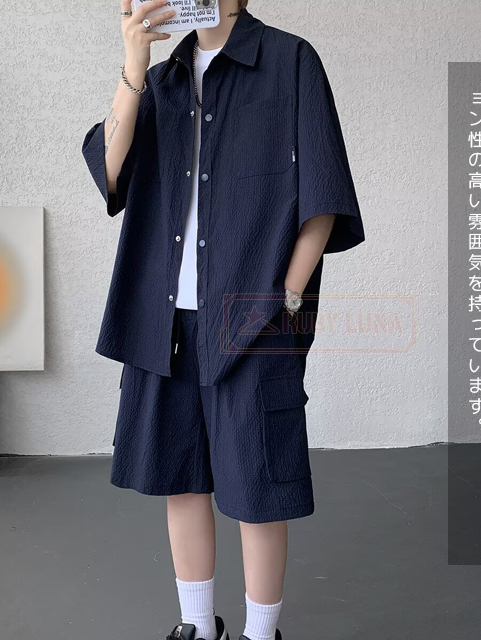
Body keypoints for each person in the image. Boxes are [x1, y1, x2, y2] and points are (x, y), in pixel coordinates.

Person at [81, 1, 365, 639]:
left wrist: (285, 299)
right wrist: (134, 60)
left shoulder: (291, 60)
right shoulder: (162, 81)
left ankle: (262, 633)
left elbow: (323, 193)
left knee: (257, 487)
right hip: (164, 321)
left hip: (253, 318)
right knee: (181, 478)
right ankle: (196, 626)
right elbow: (110, 171)